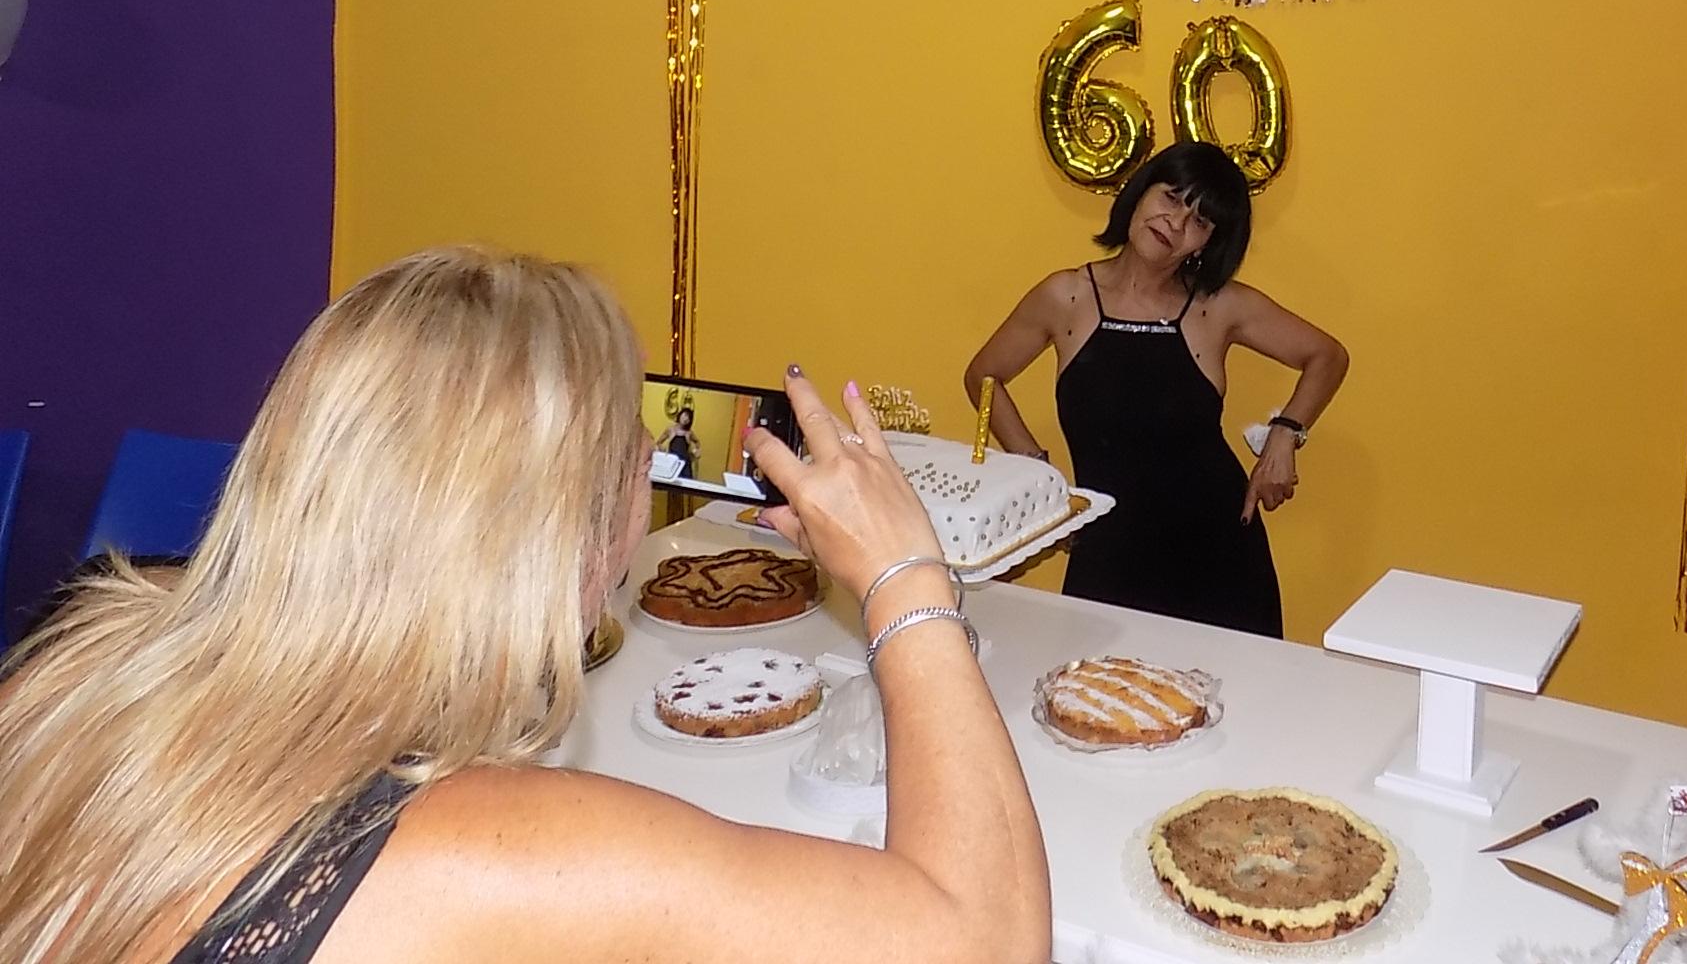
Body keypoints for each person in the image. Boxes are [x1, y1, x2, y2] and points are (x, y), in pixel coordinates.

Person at [0, 247, 1049, 964]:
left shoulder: (82, 658)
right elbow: (985, 940)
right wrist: (905, 573)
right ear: (568, 526)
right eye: (633, 441)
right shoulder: (486, 845)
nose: (651, 457)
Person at [964, 141, 1349, 637]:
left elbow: (1327, 356)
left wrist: (1284, 435)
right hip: (1107, 552)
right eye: (1171, 197)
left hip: (1220, 559)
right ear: (1141, 191)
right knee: (1097, 683)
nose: (1175, 222)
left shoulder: (1217, 307)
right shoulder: (1066, 297)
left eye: (1200, 221)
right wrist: (1038, 475)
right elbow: (984, 377)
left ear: (1207, 244)